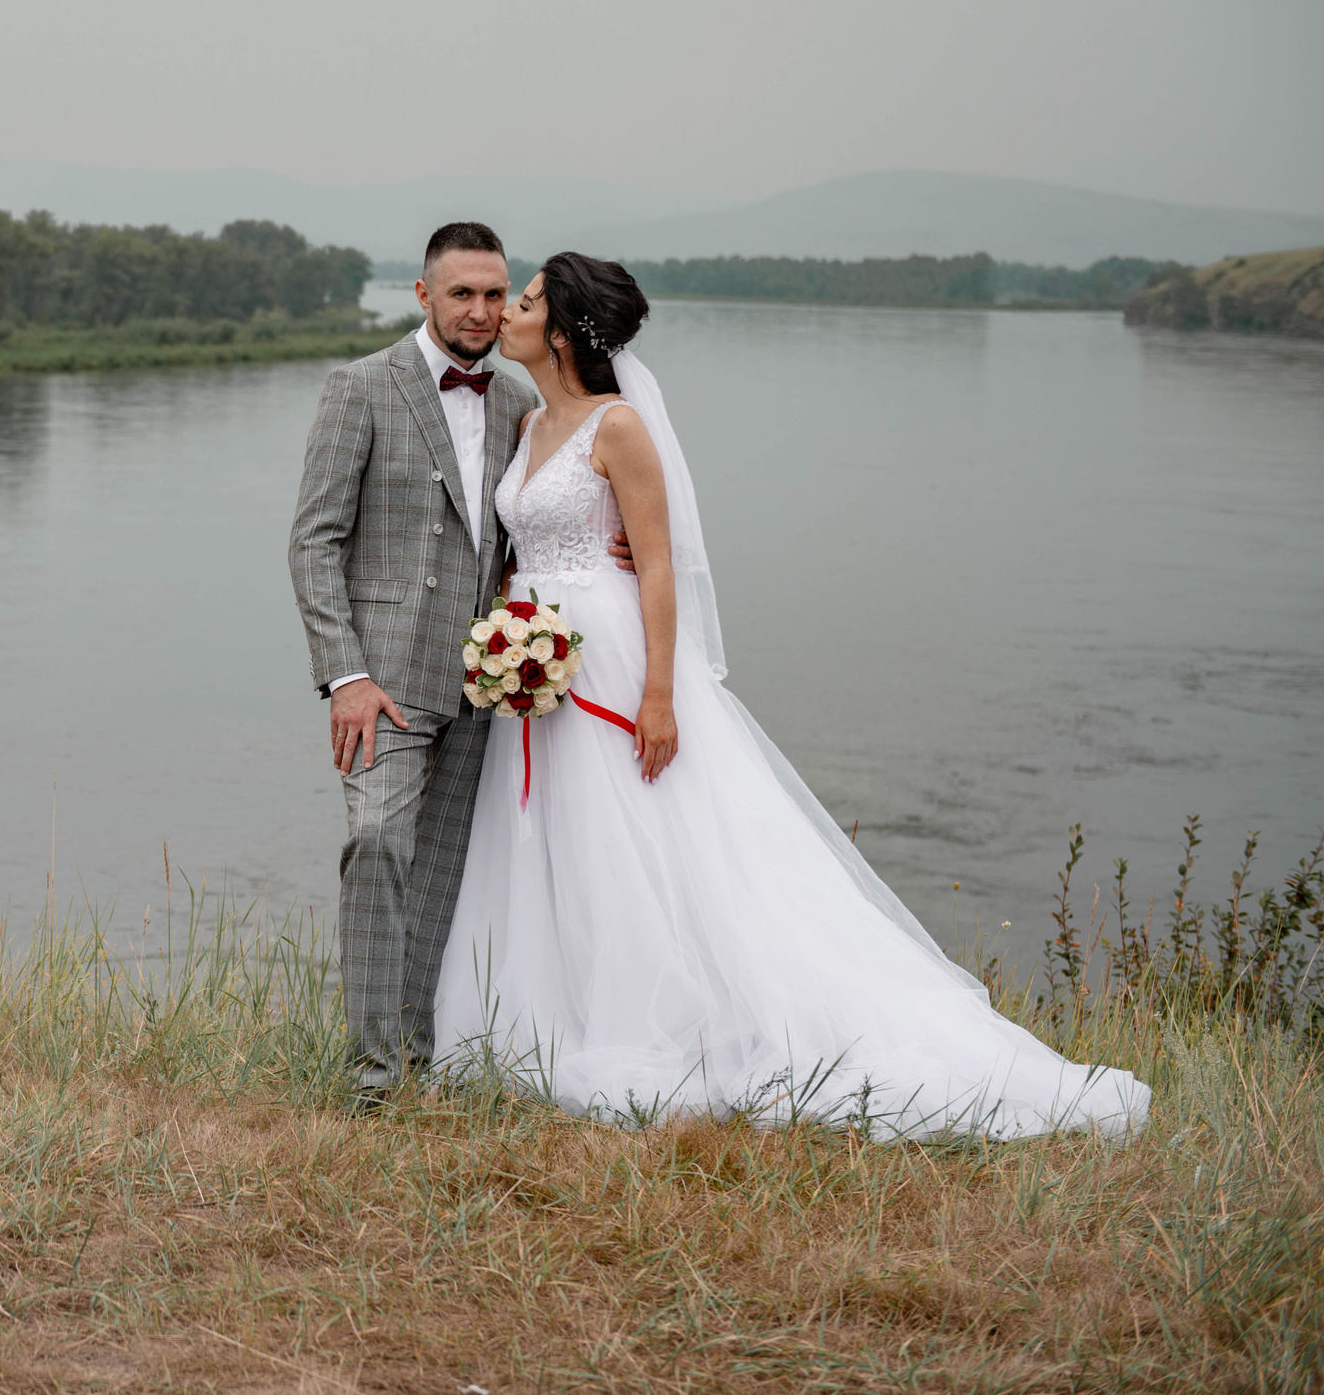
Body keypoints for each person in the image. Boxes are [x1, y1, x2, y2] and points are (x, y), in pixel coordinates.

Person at [428, 252, 1149, 1139]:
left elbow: (657, 567)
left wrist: (660, 695)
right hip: (537, 657)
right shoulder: (531, 419)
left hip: (609, 659)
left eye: (525, 301)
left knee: (642, 832)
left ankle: (675, 1021)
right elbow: (523, 538)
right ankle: (554, 1017)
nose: (504, 313)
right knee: (559, 834)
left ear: (567, 330)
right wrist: (510, 629)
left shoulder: (618, 428)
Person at [288, 222, 539, 1104]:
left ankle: (417, 1062)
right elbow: (314, 540)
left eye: (494, 293)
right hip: (384, 683)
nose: (480, 310)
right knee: (376, 842)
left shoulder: (516, 401)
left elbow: (529, 526)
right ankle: (367, 1077)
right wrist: (345, 674)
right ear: (423, 293)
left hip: (484, 678)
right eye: (462, 292)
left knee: (441, 872)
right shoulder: (361, 385)